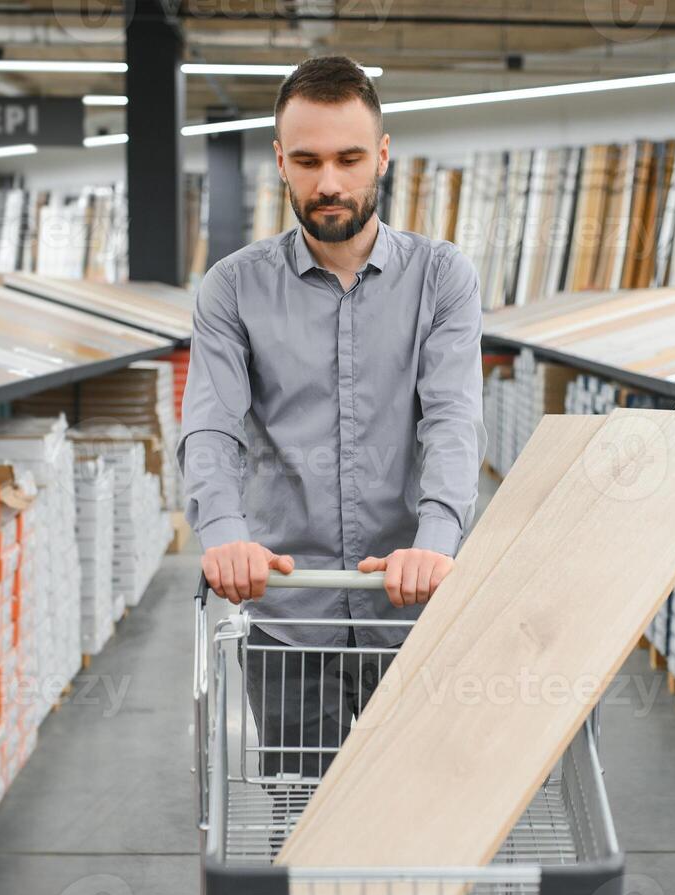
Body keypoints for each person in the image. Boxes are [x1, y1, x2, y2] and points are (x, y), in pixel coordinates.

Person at [177, 55, 486, 785]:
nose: (329, 184)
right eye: (308, 161)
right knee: (301, 824)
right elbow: (212, 425)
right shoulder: (232, 288)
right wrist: (223, 535)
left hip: (409, 611)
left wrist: (437, 539)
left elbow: (451, 419)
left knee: (412, 815)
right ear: (279, 162)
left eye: (349, 158)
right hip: (290, 618)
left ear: (381, 154)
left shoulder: (441, 277)